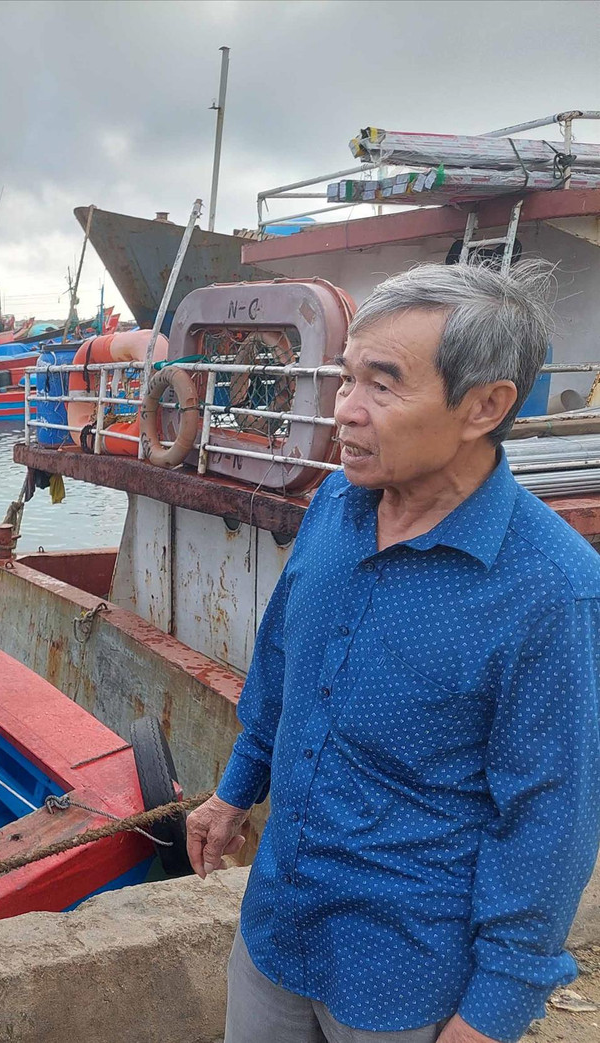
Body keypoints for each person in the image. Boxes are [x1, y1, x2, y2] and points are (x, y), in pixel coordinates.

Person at [186, 261, 600, 1043]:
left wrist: (491, 1015)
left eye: (382, 385)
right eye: (345, 379)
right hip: (275, 927)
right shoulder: (336, 503)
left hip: (407, 979)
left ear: (485, 404)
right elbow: (284, 663)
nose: (345, 411)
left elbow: (551, 826)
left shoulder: (552, 591)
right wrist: (234, 790)